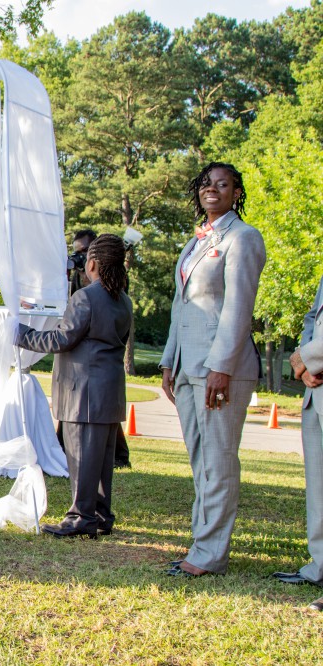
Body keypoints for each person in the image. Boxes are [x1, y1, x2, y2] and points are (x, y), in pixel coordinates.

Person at [160, 162, 266, 577]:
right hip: (187, 367)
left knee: (218, 462)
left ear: (236, 193)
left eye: (223, 185)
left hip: (221, 369)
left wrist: (220, 367)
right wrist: (169, 361)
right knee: (201, 462)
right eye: (206, 184)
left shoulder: (243, 238)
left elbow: (239, 308)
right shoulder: (196, 241)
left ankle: (209, 555)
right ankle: (201, 543)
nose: (212, 190)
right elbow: (181, 305)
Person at [15, 234, 132, 538]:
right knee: (102, 461)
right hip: (110, 390)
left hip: (83, 391)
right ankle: (101, 515)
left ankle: (81, 517)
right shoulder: (124, 299)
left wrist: (21, 333)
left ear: (92, 263)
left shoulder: (86, 297)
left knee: (81, 458)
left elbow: (61, 339)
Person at [272, 274, 323, 606]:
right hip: (316, 389)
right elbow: (311, 317)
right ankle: (320, 566)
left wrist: (308, 358)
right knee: (318, 488)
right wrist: (304, 362)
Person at [63, 228, 132, 469]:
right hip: (97, 372)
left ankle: (119, 455)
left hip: (92, 369)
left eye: (84, 251)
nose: (79, 256)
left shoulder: (113, 285)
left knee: (93, 433)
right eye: (76, 251)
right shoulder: (79, 279)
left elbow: (67, 336)